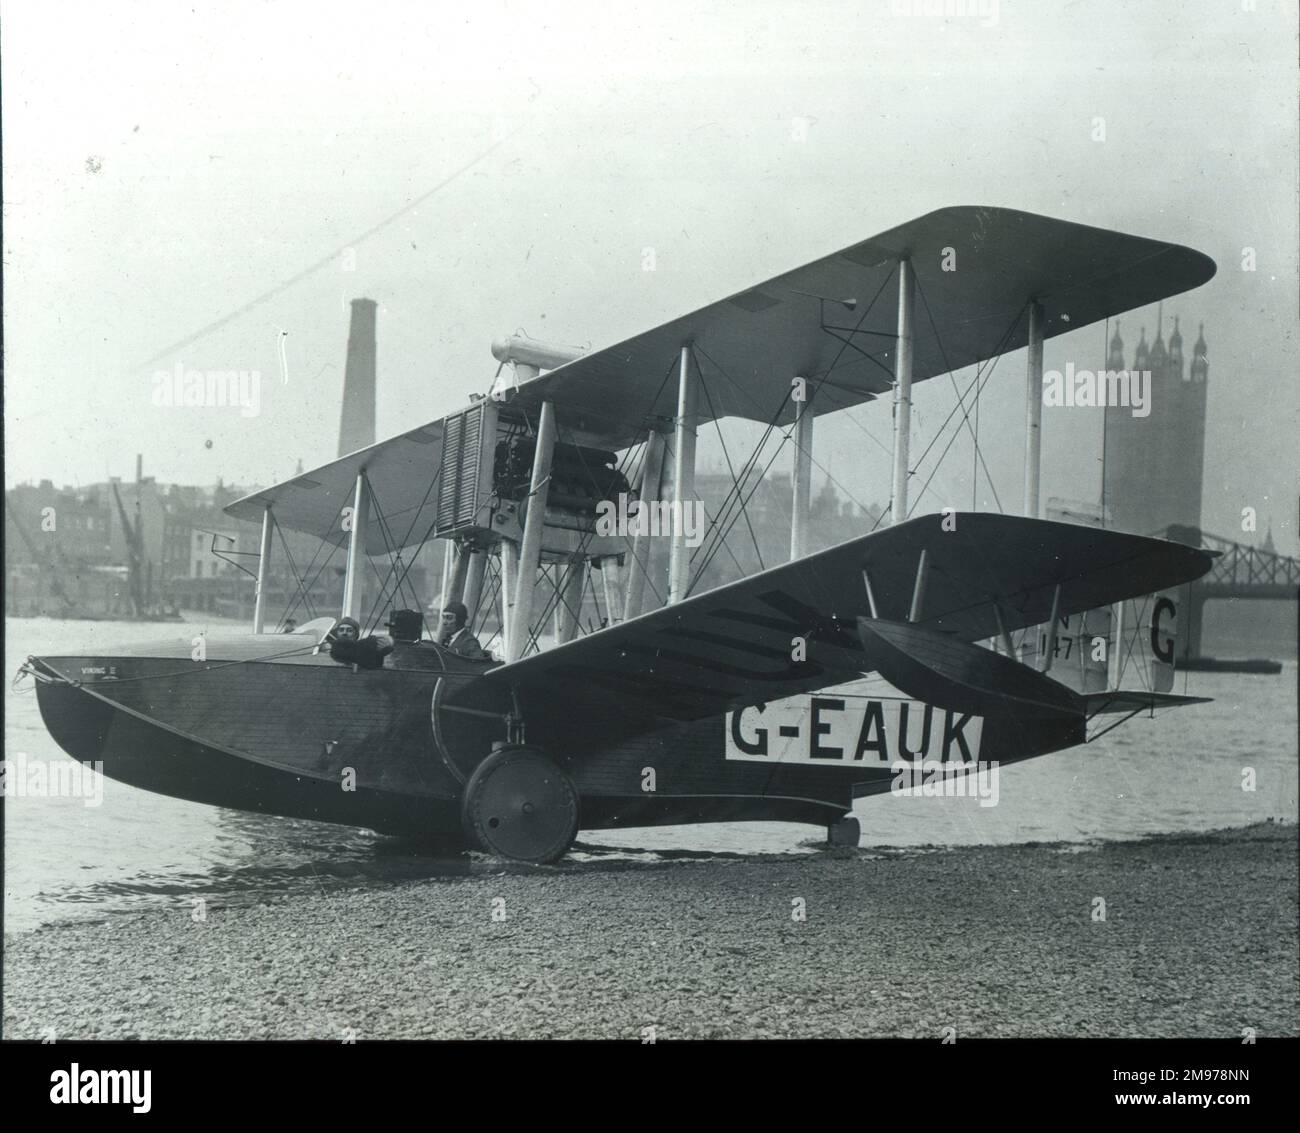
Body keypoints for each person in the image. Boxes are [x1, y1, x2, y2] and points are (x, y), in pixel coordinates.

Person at [325, 616, 393, 669]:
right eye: (341, 630)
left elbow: (386, 641)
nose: (344, 633)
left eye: (349, 630)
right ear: (337, 633)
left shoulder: (364, 648)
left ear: (356, 634)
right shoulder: (328, 651)